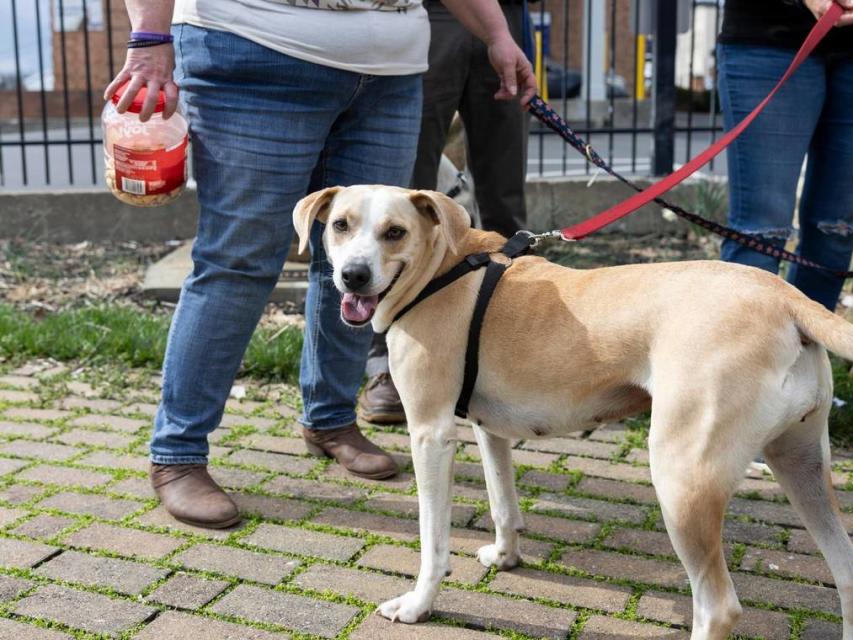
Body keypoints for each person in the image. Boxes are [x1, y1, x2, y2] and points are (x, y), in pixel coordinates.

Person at [106, 0, 536, 529]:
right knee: (238, 260)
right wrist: (150, 39)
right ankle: (178, 455)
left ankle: (331, 420)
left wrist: (495, 32)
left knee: (360, 262)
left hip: (390, 71)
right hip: (254, 51)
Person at [358, 0, 531, 424]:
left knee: (505, 206)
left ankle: (520, 356)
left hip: (507, 15)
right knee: (402, 202)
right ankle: (387, 367)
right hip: (430, 13)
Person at [718, 0, 853, 311]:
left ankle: (807, 349)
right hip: (767, 33)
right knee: (760, 231)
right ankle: (740, 355)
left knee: (837, 229)